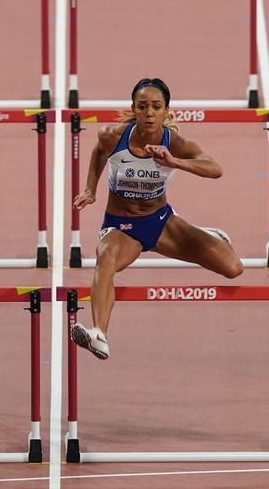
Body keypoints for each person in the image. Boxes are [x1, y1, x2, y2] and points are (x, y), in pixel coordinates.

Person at [71, 78, 244, 360]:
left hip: (162, 222)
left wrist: (174, 162)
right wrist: (90, 188)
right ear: (133, 109)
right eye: (142, 107)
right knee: (105, 260)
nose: (149, 113)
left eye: (156, 107)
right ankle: (99, 334)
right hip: (121, 227)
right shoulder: (113, 136)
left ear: (167, 111)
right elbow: (99, 151)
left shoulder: (173, 142)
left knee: (233, 268)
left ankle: (211, 236)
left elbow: (215, 169)